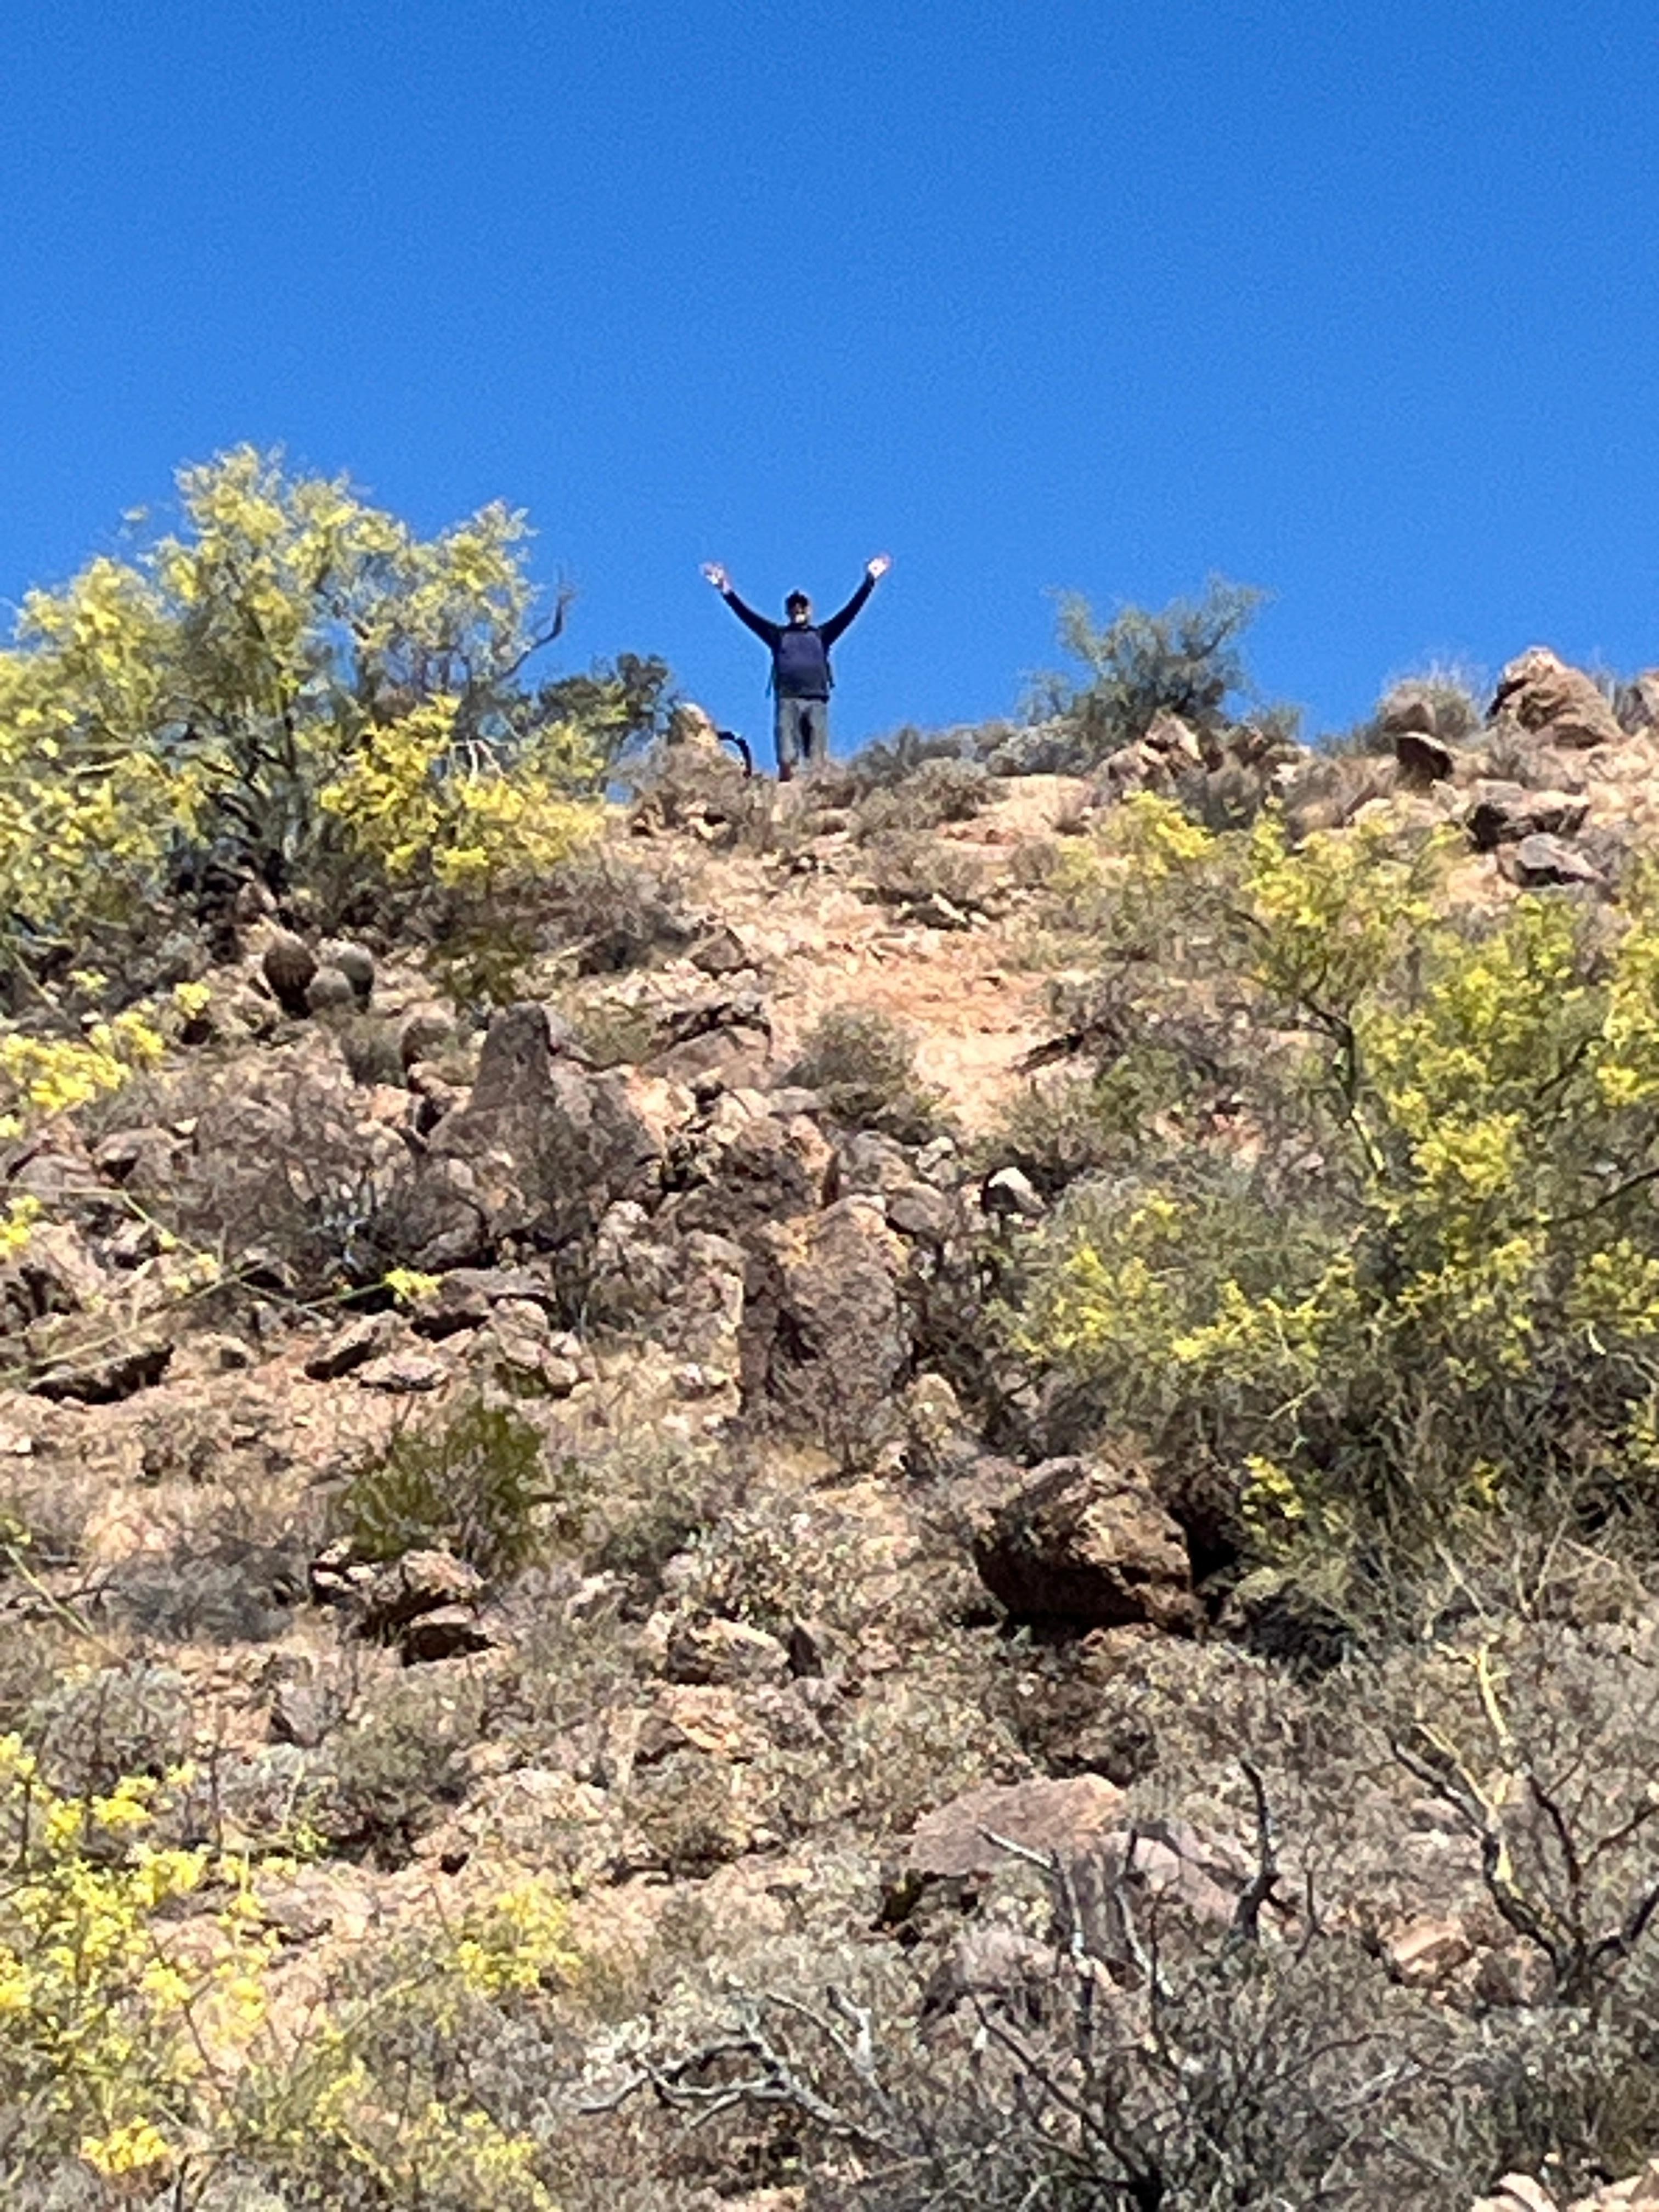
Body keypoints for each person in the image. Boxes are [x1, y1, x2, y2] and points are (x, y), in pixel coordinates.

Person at [702, 555, 891, 778]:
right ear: (788, 612)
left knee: (817, 759)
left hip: (816, 700)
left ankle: (815, 796)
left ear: (809, 610)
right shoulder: (778, 636)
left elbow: (850, 612)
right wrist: (725, 589)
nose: (798, 610)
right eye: (794, 607)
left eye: (802, 606)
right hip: (788, 699)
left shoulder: (821, 635)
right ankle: (786, 794)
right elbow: (748, 617)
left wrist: (870, 581)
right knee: (786, 756)